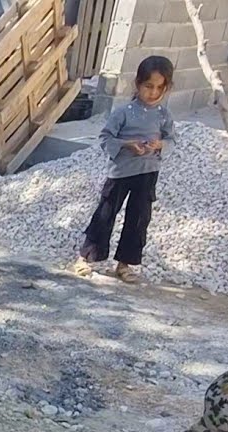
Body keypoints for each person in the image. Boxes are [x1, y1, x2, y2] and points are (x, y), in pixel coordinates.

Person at [72, 55, 175, 284]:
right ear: (138, 84)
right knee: (105, 214)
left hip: (148, 173)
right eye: (149, 86)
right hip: (120, 173)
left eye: (160, 87)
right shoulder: (124, 112)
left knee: (138, 219)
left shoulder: (164, 116)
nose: (153, 92)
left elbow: (172, 140)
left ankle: (125, 264)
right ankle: (85, 257)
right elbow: (105, 137)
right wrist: (127, 145)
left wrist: (160, 145)